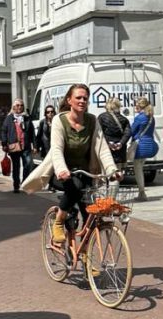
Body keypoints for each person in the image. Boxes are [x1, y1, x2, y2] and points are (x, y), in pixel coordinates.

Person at [22, 84, 120, 243]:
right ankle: (59, 221)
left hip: (86, 172)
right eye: (78, 98)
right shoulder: (59, 120)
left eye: (85, 98)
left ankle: (86, 258)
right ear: (69, 100)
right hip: (62, 174)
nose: (82, 101)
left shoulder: (92, 121)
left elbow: (102, 149)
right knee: (75, 187)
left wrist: (112, 170)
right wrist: (61, 170)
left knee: (90, 217)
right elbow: (57, 149)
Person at [127, 97, 158, 201]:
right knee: (140, 168)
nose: (135, 106)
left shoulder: (140, 117)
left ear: (140, 106)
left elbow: (132, 130)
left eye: (136, 105)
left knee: (138, 170)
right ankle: (142, 192)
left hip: (140, 146)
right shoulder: (151, 117)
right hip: (149, 145)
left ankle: (142, 193)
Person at [1, 99, 35, 193]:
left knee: (28, 164)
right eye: (17, 105)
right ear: (13, 107)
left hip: (26, 146)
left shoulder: (27, 118)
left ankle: (24, 183)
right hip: (14, 146)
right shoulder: (9, 118)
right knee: (16, 167)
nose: (19, 107)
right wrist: (4, 143)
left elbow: (32, 133)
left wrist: (34, 145)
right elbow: (4, 131)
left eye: (21, 105)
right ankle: (16, 185)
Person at [97, 98, 131, 168]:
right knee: (118, 173)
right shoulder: (124, 119)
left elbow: (99, 133)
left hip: (106, 150)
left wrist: (109, 143)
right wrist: (120, 143)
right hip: (120, 151)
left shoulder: (102, 117)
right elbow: (128, 133)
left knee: (107, 172)